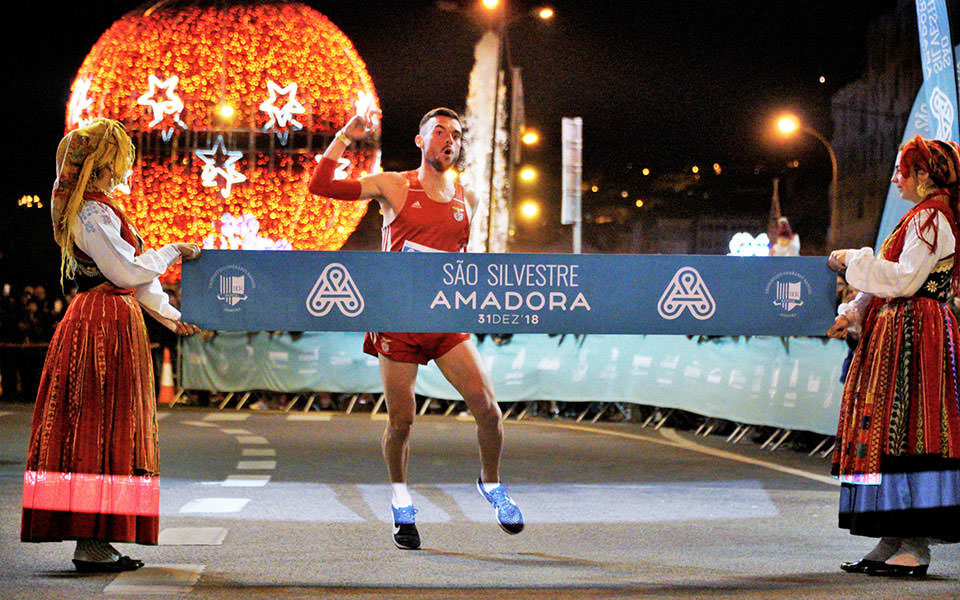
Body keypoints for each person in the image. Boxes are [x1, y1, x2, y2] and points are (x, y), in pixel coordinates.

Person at [309, 107, 523, 550]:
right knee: (402, 422)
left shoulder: (469, 197)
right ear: (420, 141)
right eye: (440, 132)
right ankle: (402, 505)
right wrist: (346, 138)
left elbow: (463, 263)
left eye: (457, 134)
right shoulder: (393, 184)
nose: (450, 139)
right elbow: (321, 186)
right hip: (399, 321)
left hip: (445, 320)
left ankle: (491, 483)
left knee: (488, 409)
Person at [20, 119, 202, 572]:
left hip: (110, 317)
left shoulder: (97, 208)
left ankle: (97, 538)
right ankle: (92, 540)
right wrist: (173, 250)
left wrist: (172, 316)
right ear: (103, 163)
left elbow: (132, 281)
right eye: (117, 160)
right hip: (103, 321)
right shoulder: (91, 212)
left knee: (103, 423)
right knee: (104, 422)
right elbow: (125, 274)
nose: (123, 167)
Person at [826, 135, 960, 577]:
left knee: (914, 429)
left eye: (904, 170)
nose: (896, 178)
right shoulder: (920, 216)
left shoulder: (932, 217)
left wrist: (850, 260)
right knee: (887, 431)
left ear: (925, 174)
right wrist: (853, 311)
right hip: (897, 331)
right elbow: (889, 283)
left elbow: (904, 280)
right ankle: (893, 534)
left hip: (918, 333)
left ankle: (916, 543)